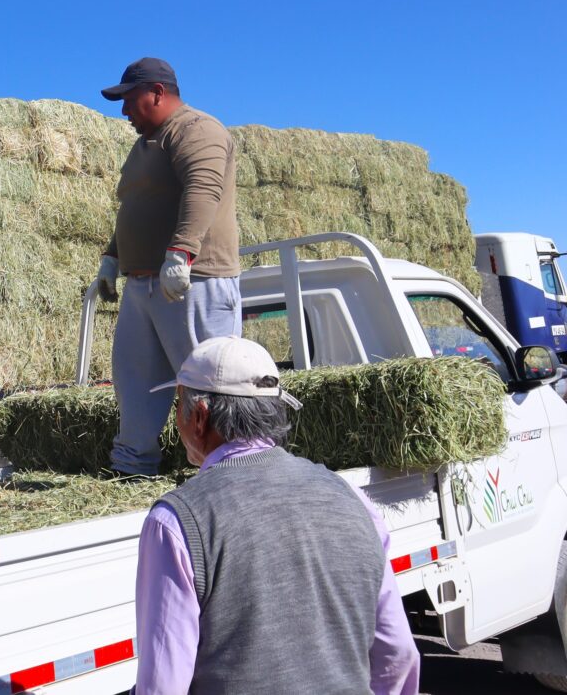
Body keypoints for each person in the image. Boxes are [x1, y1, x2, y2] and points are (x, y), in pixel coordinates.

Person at [133, 336, 420, 694]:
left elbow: (162, 687)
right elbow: (399, 655)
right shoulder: (352, 500)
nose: (175, 420)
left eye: (179, 405)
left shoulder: (177, 523)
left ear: (200, 418)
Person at [96, 57, 242, 478]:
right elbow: (136, 207)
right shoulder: (145, 145)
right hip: (144, 286)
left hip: (192, 283)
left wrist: (181, 252)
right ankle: (131, 470)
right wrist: (112, 257)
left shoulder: (198, 130)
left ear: (158, 92)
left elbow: (204, 186)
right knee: (134, 386)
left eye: (129, 99)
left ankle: (228, 476)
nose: (123, 110)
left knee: (210, 387)